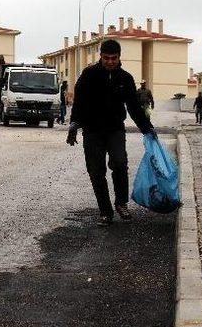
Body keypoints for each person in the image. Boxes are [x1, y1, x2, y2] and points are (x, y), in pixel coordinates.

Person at [66, 39, 156, 226]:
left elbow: (133, 107)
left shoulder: (125, 78)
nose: (110, 61)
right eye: (106, 58)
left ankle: (121, 203)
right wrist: (74, 124)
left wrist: (147, 128)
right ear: (101, 57)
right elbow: (79, 102)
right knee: (96, 171)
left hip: (115, 129)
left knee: (120, 163)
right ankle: (105, 212)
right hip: (92, 131)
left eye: (113, 58)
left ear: (119, 57)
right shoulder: (89, 75)